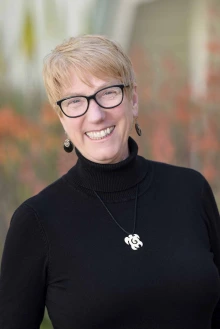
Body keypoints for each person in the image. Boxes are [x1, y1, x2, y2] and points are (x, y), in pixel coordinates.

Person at [0, 34, 220, 329]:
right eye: (76, 101)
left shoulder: (191, 191)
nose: (96, 115)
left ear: (134, 99)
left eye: (108, 93)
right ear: (62, 118)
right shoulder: (38, 220)